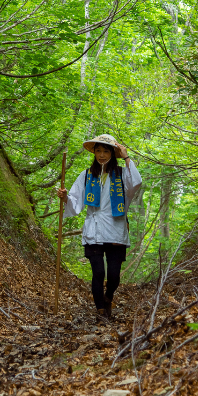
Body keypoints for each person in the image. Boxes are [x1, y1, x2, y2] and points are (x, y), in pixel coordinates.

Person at [57, 134, 142, 321]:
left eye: (106, 151)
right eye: (98, 150)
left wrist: (126, 157)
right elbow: (75, 199)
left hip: (115, 229)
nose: (101, 155)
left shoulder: (121, 173)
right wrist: (64, 197)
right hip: (93, 230)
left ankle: (108, 296)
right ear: (94, 152)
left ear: (113, 153)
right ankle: (100, 310)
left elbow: (135, 184)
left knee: (113, 275)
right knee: (98, 272)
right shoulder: (87, 174)